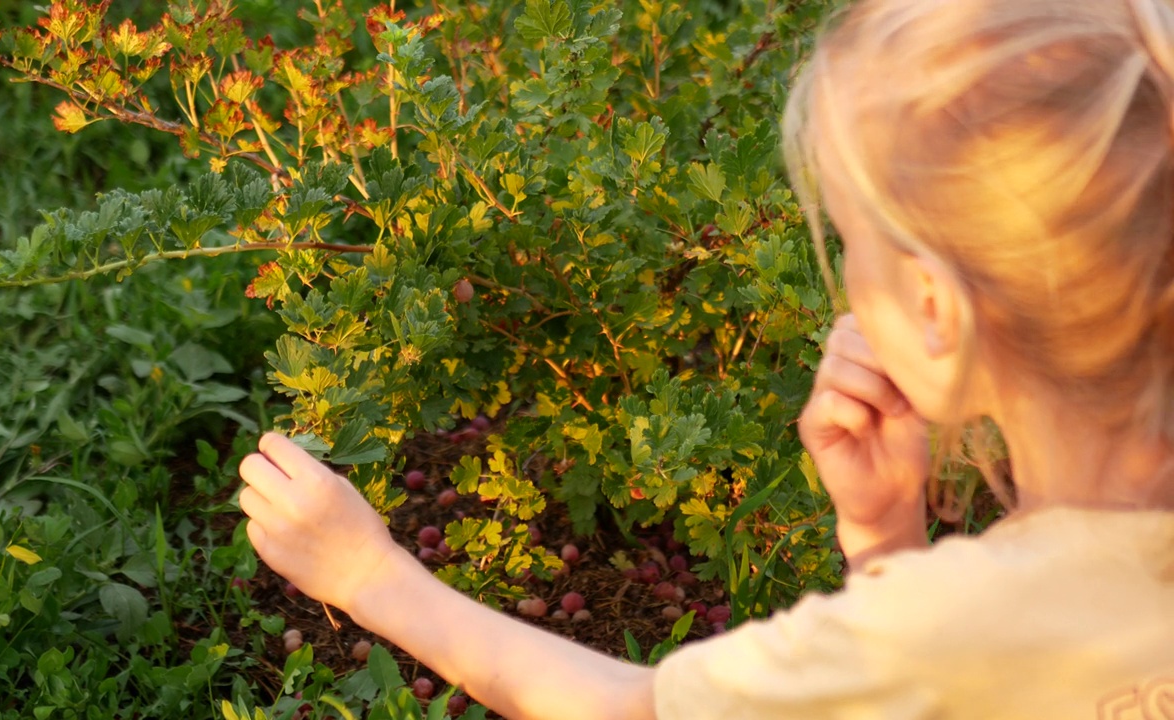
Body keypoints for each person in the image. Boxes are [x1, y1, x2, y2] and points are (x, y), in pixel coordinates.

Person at [236, 0, 1174, 716]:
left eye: (850, 240)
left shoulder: (959, 623)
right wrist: (887, 545)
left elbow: (635, 709)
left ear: (934, 311)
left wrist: (368, 577)